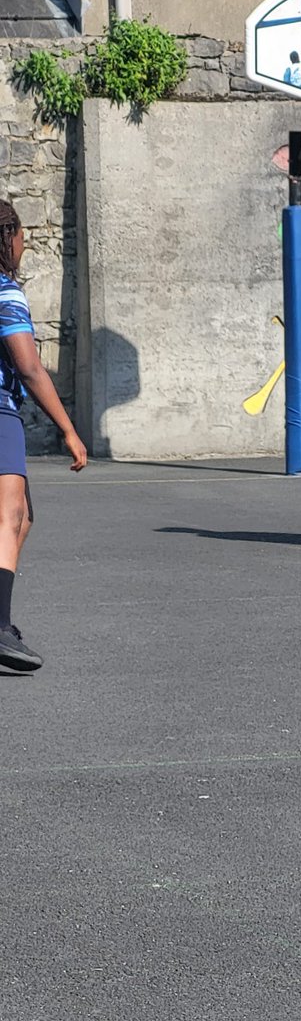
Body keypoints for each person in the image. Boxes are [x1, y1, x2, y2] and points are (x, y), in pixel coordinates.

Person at [0, 199, 87, 671]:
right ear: (6, 238)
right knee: (9, 518)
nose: (25, 245)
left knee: (22, 515)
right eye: (21, 236)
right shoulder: (6, 293)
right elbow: (29, 367)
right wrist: (69, 430)